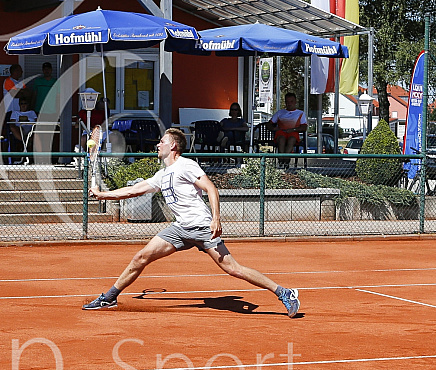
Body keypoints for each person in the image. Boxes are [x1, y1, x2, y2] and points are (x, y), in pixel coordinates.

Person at [83, 128, 300, 318]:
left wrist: (216, 218)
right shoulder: (162, 174)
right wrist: (103, 194)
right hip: (180, 229)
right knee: (141, 257)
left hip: (202, 227)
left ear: (173, 145)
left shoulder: (186, 165)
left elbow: (211, 188)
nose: (158, 144)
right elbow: (132, 191)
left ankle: (284, 292)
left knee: (233, 269)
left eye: (162, 141)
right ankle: (109, 298)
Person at [266, 92, 307, 159]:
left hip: (293, 132)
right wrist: (274, 129)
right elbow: (269, 124)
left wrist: (293, 129)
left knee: (291, 140)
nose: (289, 103)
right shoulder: (280, 113)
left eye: (291, 101)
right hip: (281, 132)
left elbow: (304, 127)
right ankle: (281, 160)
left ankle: (286, 160)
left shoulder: (300, 113)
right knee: (281, 139)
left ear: (295, 102)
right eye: (287, 101)